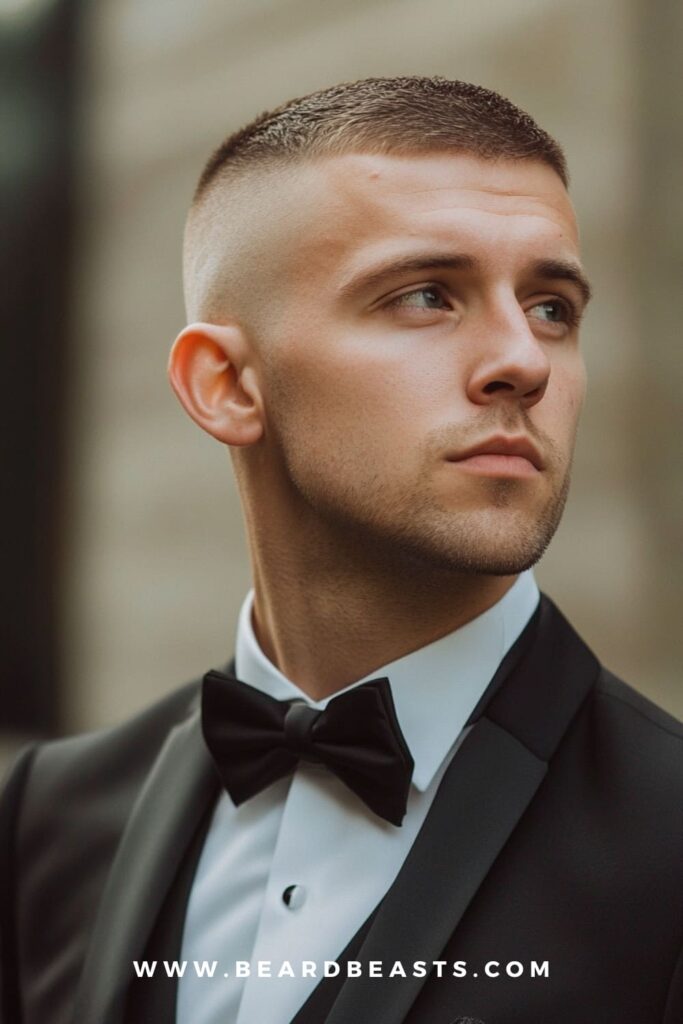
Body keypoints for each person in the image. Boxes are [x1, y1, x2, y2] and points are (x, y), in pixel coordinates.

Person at [1, 76, 681, 1024]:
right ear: (226, 385)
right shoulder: (47, 815)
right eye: (426, 296)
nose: (524, 361)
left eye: (551, 308)